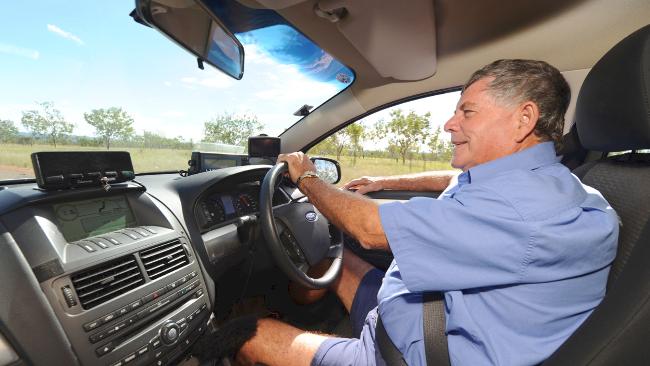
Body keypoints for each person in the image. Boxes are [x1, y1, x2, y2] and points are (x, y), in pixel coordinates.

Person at [219, 59, 619, 366]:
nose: (449, 123)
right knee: (328, 259)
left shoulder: (522, 211)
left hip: (402, 352)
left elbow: (367, 228)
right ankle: (308, 321)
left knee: (244, 334)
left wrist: (306, 177)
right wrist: (383, 182)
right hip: (421, 311)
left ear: (524, 119)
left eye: (468, 112)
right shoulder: (550, 183)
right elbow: (452, 181)